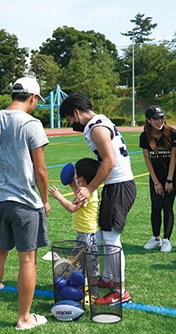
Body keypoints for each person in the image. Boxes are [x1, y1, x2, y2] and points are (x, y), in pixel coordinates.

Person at [0, 77, 50, 330]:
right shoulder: (31, 124)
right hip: (25, 202)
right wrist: (45, 200)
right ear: (32, 98)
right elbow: (40, 170)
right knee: (27, 259)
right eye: (36, 101)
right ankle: (24, 318)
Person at [59, 93, 136, 305]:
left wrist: (90, 188)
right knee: (105, 234)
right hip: (116, 185)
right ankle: (108, 279)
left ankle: (120, 292)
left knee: (111, 240)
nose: (72, 124)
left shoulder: (96, 128)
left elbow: (109, 161)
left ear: (76, 112)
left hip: (119, 185)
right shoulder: (99, 122)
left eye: (70, 119)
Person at [49, 158, 101, 297]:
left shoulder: (87, 195)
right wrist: (73, 186)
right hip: (83, 233)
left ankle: (94, 294)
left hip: (88, 235)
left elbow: (72, 208)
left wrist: (58, 196)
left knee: (91, 266)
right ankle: (82, 286)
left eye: (76, 174)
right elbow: (78, 195)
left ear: (82, 179)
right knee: (77, 262)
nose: (74, 175)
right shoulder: (87, 190)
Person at [139, 105, 176, 253]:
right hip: (155, 175)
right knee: (156, 206)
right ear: (149, 120)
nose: (160, 121)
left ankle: (167, 240)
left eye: (162, 117)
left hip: (172, 174)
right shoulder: (145, 136)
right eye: (156, 118)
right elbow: (147, 160)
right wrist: (156, 182)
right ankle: (156, 238)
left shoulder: (172, 133)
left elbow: (173, 159)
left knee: (167, 206)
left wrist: (169, 180)